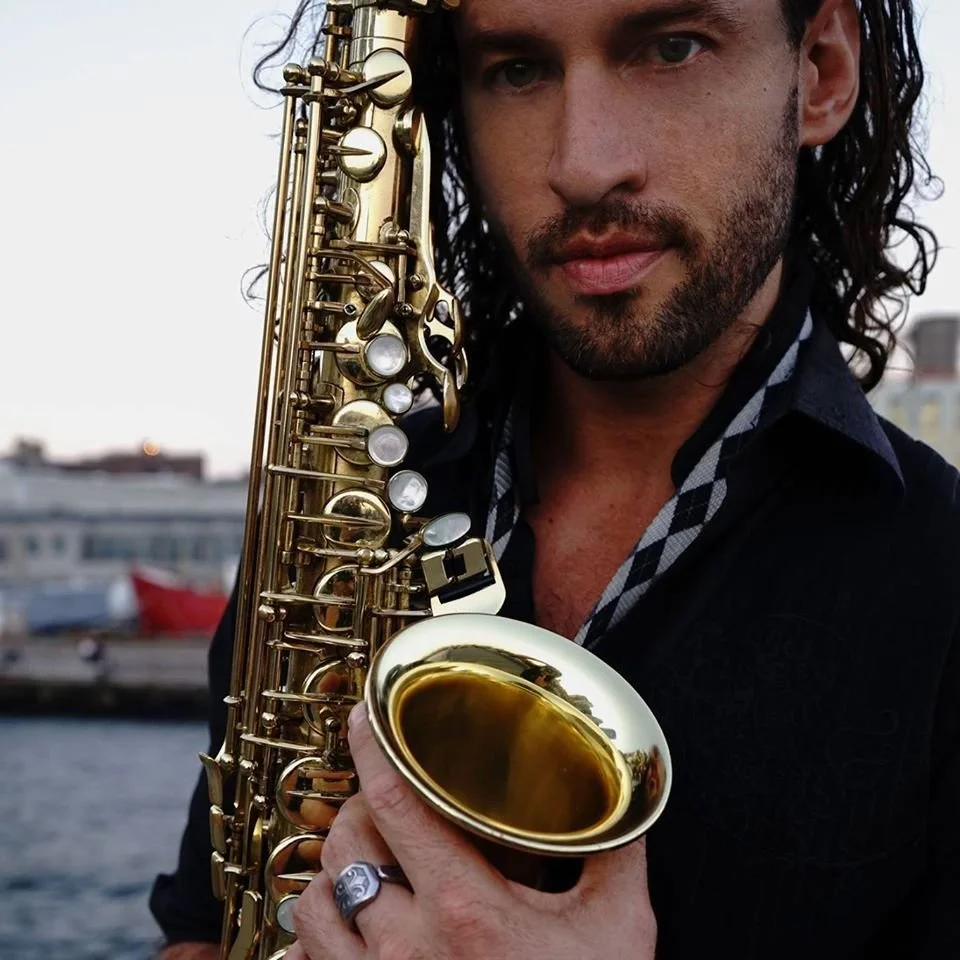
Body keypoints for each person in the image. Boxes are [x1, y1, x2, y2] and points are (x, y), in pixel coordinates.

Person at [152, 0, 960, 957]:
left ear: (819, 71)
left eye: (672, 47)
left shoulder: (941, 575)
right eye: (517, 69)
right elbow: (204, 931)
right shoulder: (340, 498)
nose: (583, 163)